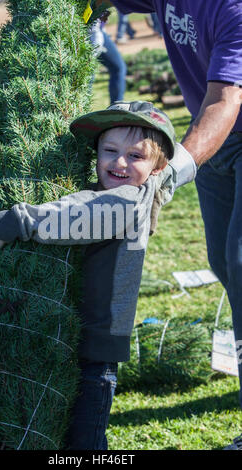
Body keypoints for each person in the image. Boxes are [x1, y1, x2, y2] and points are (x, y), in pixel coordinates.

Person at [0, 100, 195, 449]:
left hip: (94, 348)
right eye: (110, 150)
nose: (120, 162)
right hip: (75, 336)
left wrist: (10, 223)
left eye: (135, 156)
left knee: (84, 441)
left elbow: (74, 216)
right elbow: (178, 167)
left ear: (155, 167)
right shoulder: (151, 185)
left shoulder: (126, 202)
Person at [103, 0, 242, 450]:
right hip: (216, 146)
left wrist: (168, 174)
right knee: (223, 261)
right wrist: (89, 19)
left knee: (241, 264)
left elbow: (225, 100)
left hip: (224, 124)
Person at [90, 18, 127, 103]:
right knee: (86, 74)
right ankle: (80, 111)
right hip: (90, 32)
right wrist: (96, 40)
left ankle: (116, 109)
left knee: (118, 68)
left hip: (98, 30)